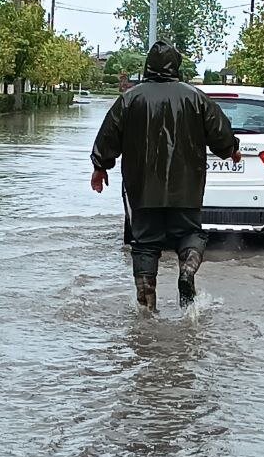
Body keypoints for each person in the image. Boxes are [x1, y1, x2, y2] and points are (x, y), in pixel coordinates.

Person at [90, 41, 241, 312]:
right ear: (177, 66)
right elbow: (221, 133)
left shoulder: (129, 99)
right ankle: (187, 270)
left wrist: (100, 167)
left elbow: (109, 135)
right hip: (187, 187)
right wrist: (232, 150)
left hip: (143, 187)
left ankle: (146, 308)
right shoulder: (196, 97)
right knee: (190, 234)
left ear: (148, 66)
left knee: (145, 244)